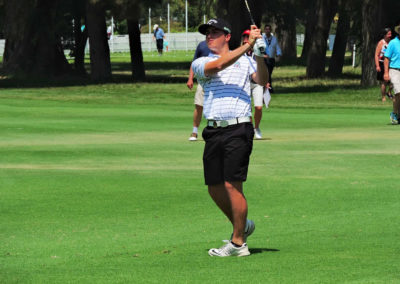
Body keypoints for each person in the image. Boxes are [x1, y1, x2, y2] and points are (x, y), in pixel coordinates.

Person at [191, 18, 269, 257]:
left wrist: (259, 54)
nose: (209, 36)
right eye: (207, 33)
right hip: (214, 129)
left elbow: (263, 81)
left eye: (215, 32)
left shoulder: (246, 61)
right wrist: (247, 46)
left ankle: (238, 244)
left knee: (232, 185)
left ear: (227, 36)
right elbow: (219, 66)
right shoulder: (201, 62)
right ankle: (242, 226)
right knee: (214, 188)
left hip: (238, 128)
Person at [241, 29, 267, 139]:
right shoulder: (239, 52)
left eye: (249, 37)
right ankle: (250, 128)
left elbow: (263, 69)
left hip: (257, 83)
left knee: (259, 107)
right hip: (244, 83)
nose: (247, 39)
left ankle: (256, 127)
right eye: (245, 37)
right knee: (248, 109)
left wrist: (266, 81)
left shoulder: (258, 51)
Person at [187, 41, 211, 141]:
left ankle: (213, 131)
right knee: (199, 105)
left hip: (216, 81)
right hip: (202, 81)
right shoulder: (202, 45)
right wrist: (190, 78)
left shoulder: (221, 45)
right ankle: (194, 131)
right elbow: (194, 63)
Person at [384, 23, 400, 124]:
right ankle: (394, 113)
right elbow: (386, 58)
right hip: (394, 70)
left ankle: (398, 116)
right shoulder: (393, 43)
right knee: (398, 92)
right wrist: (386, 73)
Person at [262, 24, 282, 93]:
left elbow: (277, 47)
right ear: (264, 30)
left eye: (269, 29)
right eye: (266, 29)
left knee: (269, 73)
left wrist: (278, 53)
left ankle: (267, 87)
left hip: (271, 59)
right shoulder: (261, 38)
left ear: (270, 30)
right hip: (264, 59)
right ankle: (268, 88)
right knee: (266, 73)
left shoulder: (274, 39)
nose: (267, 30)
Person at [375, 28, 393, 102]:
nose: (390, 35)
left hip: (391, 63)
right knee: (384, 81)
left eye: (390, 34)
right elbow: (376, 55)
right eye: (388, 34)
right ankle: (383, 97)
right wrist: (377, 65)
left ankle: (389, 92)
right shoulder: (381, 43)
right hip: (382, 63)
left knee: (394, 80)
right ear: (385, 35)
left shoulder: (392, 43)